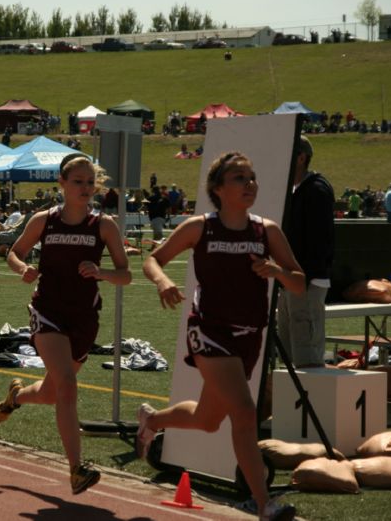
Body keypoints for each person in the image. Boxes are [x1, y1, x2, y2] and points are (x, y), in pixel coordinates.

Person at [138, 151, 304, 521]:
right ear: (218, 188)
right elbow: (153, 260)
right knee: (244, 412)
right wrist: (164, 281)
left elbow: (299, 283)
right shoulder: (201, 227)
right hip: (210, 331)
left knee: (207, 418)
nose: (250, 185)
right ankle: (264, 504)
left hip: (250, 333)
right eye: (239, 178)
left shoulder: (267, 231)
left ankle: (152, 420)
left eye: (252, 177)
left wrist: (277, 271)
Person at [0, 154, 132, 494]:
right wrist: (21, 269)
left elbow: (125, 274)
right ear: (62, 185)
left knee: (53, 392)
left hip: (84, 317)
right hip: (48, 312)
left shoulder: (104, 225)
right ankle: (76, 469)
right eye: (78, 182)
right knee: (67, 386)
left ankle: (16, 397)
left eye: (90, 182)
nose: (85, 188)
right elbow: (13, 252)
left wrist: (101, 273)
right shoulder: (45, 221)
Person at [278, 136, 334, 369]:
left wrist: (302, 279)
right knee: (289, 352)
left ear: (301, 157)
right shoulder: (295, 191)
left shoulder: (316, 190)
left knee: (306, 353)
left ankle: (309, 404)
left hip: (306, 281)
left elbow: (319, 241)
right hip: (290, 280)